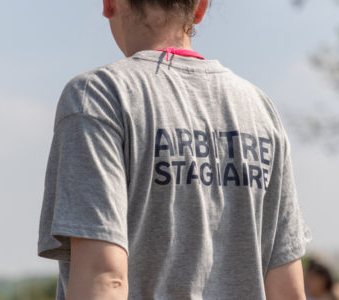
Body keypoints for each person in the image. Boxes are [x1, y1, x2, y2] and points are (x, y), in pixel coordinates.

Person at [37, 0, 311, 299]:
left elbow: (103, 276)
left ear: (110, 4)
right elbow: (287, 289)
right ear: (200, 8)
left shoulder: (100, 96)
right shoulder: (259, 109)